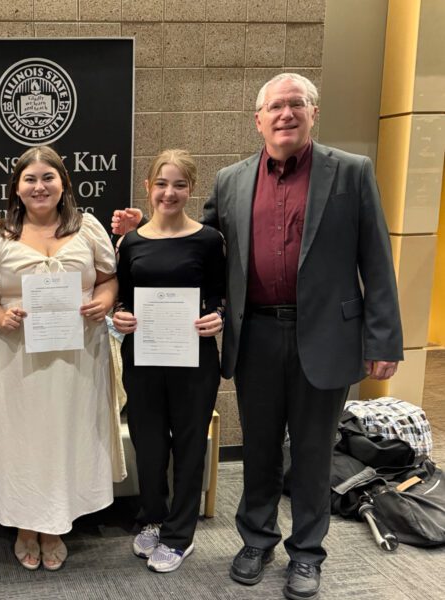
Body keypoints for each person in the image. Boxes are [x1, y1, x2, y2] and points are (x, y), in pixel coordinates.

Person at [114, 73, 403, 600]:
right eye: (275, 106)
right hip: (256, 334)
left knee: (312, 451)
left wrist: (384, 339)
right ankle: (256, 540)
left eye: (297, 104)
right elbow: (197, 246)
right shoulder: (232, 180)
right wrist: (145, 224)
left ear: (313, 112)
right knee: (260, 447)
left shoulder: (351, 171)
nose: (285, 114)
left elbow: (377, 258)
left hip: (326, 335)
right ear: (258, 119)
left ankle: (307, 552)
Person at [0, 146, 118, 571]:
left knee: (64, 436)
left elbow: (109, 278)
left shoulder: (87, 228)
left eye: (48, 177)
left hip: (77, 356)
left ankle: (54, 525)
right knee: (24, 440)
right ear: (16, 187)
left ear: (63, 183)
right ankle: (24, 525)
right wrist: (0, 316)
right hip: (18, 357)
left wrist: (104, 301)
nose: (39, 186)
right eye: (30, 179)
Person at [112, 150, 225, 573]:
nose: (169, 193)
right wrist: (119, 315)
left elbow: (220, 295)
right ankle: (153, 518)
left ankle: (180, 536)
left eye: (179, 185)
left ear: (191, 189)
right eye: (161, 184)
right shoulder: (132, 242)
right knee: (149, 443)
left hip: (193, 359)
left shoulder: (208, 240)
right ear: (148, 187)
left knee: (191, 445)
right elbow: (122, 297)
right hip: (143, 357)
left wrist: (218, 316)